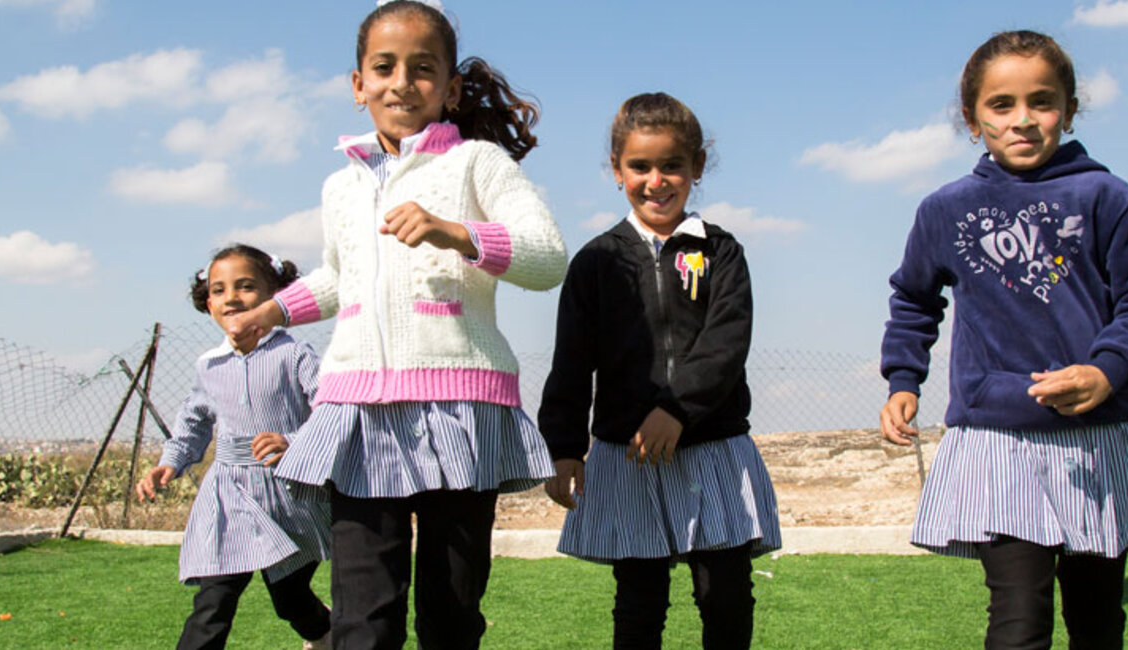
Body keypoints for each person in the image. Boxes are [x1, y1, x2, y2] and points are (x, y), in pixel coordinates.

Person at [222, 2, 565, 647]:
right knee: (362, 619)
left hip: (459, 412)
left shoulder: (476, 165)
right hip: (359, 416)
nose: (401, 82)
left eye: (422, 68)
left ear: (451, 88)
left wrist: (456, 232)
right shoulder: (340, 187)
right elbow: (337, 276)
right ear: (358, 85)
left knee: (450, 614)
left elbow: (548, 257)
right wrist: (270, 311)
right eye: (383, 67)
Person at [877, 29, 1128, 649]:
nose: (1022, 120)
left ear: (1070, 109)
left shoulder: (1109, 197)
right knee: (1019, 623)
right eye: (1001, 105)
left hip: (1098, 439)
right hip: (998, 438)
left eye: (1042, 101)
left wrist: (1107, 371)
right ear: (973, 120)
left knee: (1096, 622)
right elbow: (914, 299)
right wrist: (903, 378)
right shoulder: (944, 209)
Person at [539, 92, 780, 650]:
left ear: (696, 167)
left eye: (672, 165)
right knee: (640, 603)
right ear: (617, 169)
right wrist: (565, 446)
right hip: (628, 456)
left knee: (724, 595)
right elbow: (571, 362)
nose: (657, 180)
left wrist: (676, 409)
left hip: (713, 448)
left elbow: (726, 343)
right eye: (639, 166)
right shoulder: (596, 261)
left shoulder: (721, 251)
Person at [136, 244, 334, 650]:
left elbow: (330, 413)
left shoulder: (294, 355)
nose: (232, 298)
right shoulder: (208, 365)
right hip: (227, 494)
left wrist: (292, 442)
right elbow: (193, 422)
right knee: (215, 597)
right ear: (208, 302)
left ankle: (326, 636)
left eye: (246, 286)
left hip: (288, 496)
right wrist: (170, 462)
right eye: (220, 289)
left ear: (276, 295)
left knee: (290, 599)